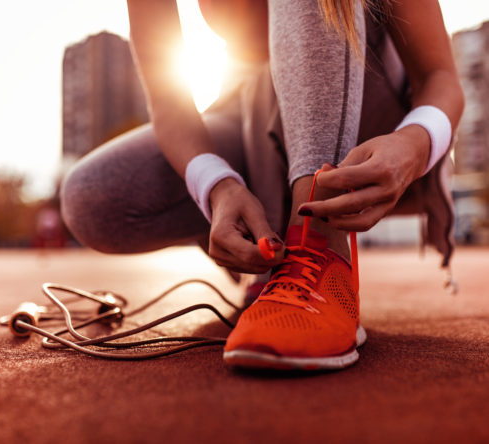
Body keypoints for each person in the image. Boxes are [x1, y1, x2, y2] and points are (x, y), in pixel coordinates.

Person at [60, 0, 464, 371]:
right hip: (253, 110)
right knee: (94, 198)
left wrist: (414, 144)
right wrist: (217, 186)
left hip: (379, 116)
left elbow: (440, 75)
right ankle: (276, 238)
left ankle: (320, 253)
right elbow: (168, 101)